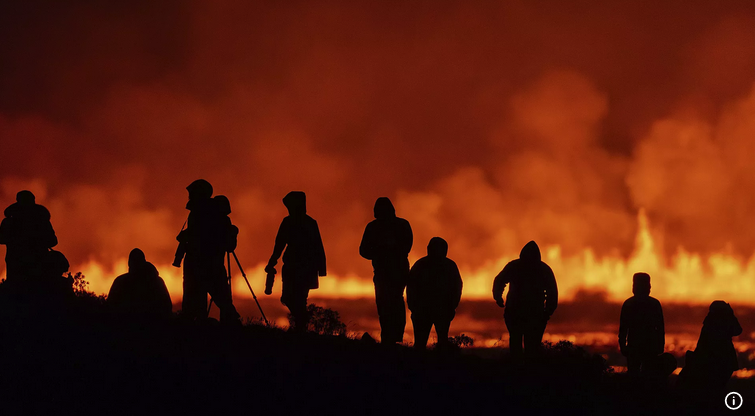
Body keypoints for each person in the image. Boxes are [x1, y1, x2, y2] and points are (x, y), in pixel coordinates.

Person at [175, 180, 240, 324]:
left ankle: (200, 327)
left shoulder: (199, 213)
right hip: (213, 263)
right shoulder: (213, 213)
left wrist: (184, 236)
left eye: (192, 193)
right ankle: (231, 326)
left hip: (198, 263)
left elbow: (200, 234)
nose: (189, 197)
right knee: (221, 297)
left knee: (195, 298)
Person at [265, 191, 326, 332]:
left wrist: (272, 261)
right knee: (292, 298)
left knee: (295, 298)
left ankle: (300, 326)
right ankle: (301, 323)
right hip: (300, 267)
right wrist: (273, 261)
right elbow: (279, 243)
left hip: (301, 267)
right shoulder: (302, 222)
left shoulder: (297, 222)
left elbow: (317, 246)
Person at [359, 197, 413, 344]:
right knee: (393, 301)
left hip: (387, 271)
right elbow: (407, 247)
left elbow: (363, 251)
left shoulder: (373, 227)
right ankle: (394, 337)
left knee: (386, 302)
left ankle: (391, 337)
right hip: (394, 270)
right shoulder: (402, 224)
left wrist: (379, 252)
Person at [492, 240, 558, 359]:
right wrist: (547, 313)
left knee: (515, 343)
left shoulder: (514, 266)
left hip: (515, 313)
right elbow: (553, 293)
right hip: (534, 314)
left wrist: (498, 297)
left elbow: (499, 281)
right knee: (532, 348)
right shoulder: (544, 269)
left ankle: (516, 371)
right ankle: (529, 373)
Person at [406, 237, 462, 350]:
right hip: (430, 310)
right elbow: (457, 287)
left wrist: (451, 307)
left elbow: (410, 288)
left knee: (423, 344)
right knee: (434, 342)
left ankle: (420, 364)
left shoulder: (420, 265)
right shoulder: (449, 265)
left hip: (434, 310)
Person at [678, 300, 742, 392]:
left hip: (716, 361)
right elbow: (737, 330)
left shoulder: (711, 323)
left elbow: (738, 330)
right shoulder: (719, 324)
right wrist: (731, 315)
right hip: (718, 361)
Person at [0, 190, 59, 282]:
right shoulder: (41, 221)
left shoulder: (9, 221)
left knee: (16, 292)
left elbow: (2, 239)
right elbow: (53, 241)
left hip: (15, 266)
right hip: (38, 265)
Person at [618, 272, 665, 375]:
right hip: (648, 346)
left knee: (635, 374)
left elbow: (623, 328)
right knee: (647, 374)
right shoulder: (654, 304)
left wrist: (622, 344)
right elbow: (660, 328)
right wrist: (660, 344)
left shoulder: (628, 304)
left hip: (636, 345)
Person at [108, 248, 172, 321]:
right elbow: (167, 307)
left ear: (129, 263)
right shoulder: (157, 281)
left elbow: (110, 307)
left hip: (126, 326)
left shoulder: (120, 281)